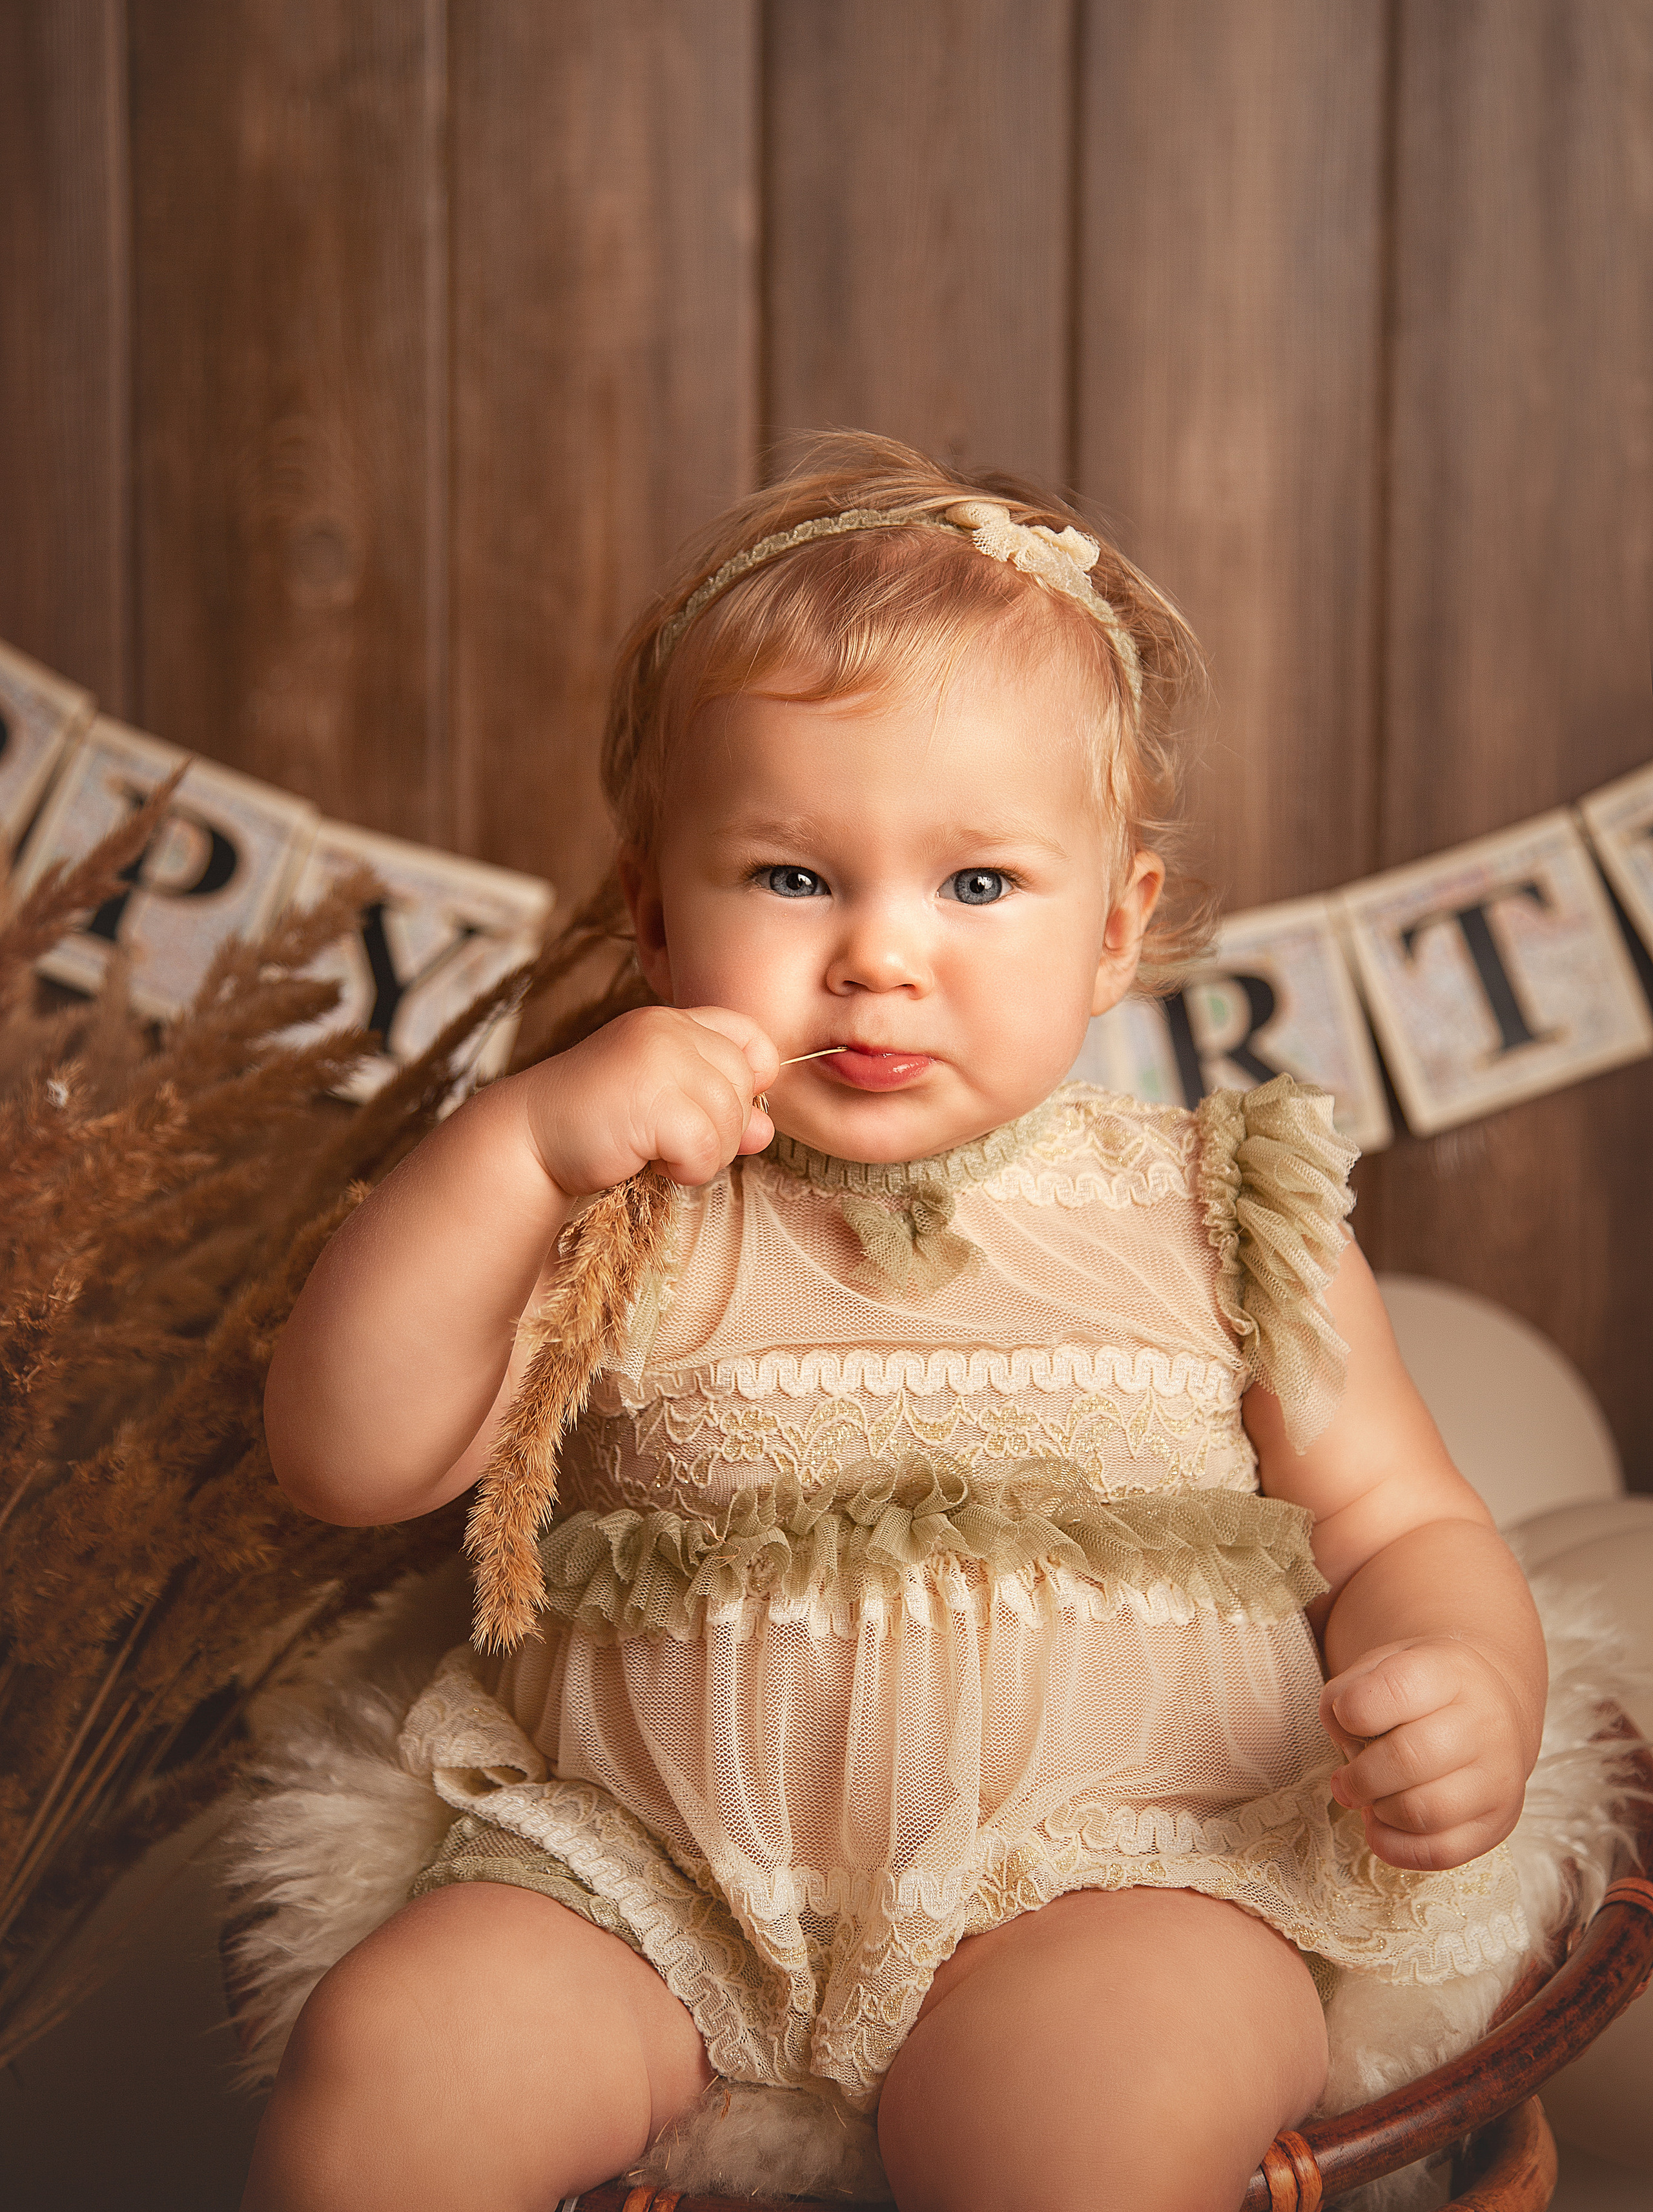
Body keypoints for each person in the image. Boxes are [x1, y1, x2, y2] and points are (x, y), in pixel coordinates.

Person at [245, 435, 1545, 2212]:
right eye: (792, 878)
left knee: (1085, 2120)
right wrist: (516, 1144)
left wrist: (1473, 1683)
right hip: (652, 1892)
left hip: (1120, 1872)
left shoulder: (1219, 1209)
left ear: (1117, 926)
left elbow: (1404, 1525)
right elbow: (345, 1457)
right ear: (652, 907)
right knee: (393, 2059)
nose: (879, 956)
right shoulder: (619, 1190)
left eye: (978, 886)